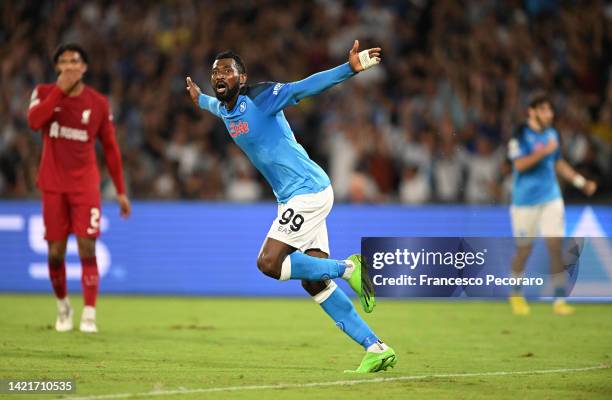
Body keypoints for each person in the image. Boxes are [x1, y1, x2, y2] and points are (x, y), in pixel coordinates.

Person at [186, 40, 396, 373]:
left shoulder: (261, 97)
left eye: (227, 70)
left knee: (269, 263)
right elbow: (211, 105)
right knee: (314, 281)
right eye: (215, 72)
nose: (219, 75)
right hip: (294, 197)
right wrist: (200, 99)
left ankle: (350, 269)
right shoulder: (223, 108)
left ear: (242, 78)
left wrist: (349, 69)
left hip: (308, 192)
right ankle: (376, 347)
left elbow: (305, 87)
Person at [27, 43, 131, 333]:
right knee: (56, 253)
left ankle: (88, 312)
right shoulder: (43, 93)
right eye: (64, 61)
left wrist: (120, 190)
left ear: (84, 67)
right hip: (52, 185)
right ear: (57, 68)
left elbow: (110, 148)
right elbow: (34, 122)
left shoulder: (98, 102)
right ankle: (63, 306)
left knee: (87, 246)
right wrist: (59, 90)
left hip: (85, 186)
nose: (70, 65)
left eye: (75, 61)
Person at [507, 92, 596, 316]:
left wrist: (580, 181)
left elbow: (558, 163)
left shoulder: (552, 134)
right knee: (524, 250)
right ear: (532, 111)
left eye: (551, 110)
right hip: (525, 202)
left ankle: (558, 299)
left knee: (555, 248)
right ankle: (516, 294)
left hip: (551, 198)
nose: (550, 114)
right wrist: (543, 151)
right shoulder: (519, 136)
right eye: (545, 110)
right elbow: (520, 166)